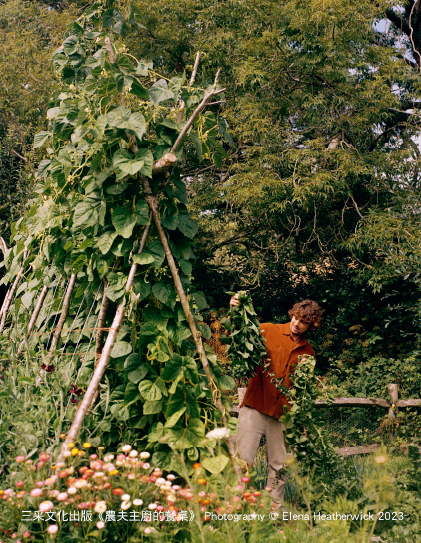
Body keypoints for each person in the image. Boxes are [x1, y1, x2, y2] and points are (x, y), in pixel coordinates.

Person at [229, 294, 323, 503]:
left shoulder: (307, 352)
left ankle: (274, 511)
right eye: (296, 318)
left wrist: (301, 420)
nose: (297, 324)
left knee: (279, 466)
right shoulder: (268, 330)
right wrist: (235, 310)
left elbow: (303, 390)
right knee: (242, 460)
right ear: (292, 315)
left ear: (311, 326)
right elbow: (238, 335)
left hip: (282, 415)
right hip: (255, 405)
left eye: (304, 322)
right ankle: (237, 506)